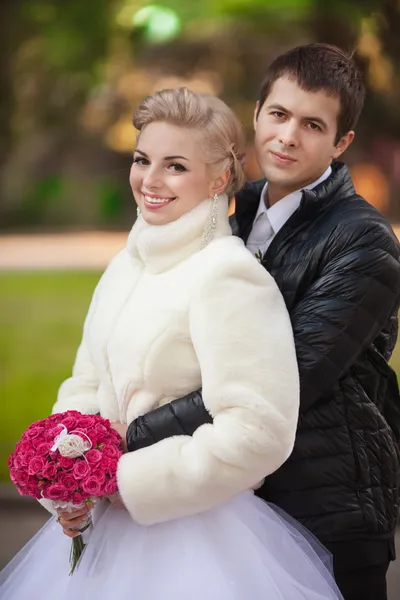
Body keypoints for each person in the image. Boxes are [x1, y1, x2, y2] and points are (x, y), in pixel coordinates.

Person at [0, 88, 345, 599]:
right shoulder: (126, 264)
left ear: (220, 178)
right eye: (143, 159)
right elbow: (86, 382)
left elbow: (259, 428)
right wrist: (69, 479)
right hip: (102, 531)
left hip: (194, 539)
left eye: (176, 166)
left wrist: (128, 481)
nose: (150, 180)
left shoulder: (227, 276)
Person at [118, 45, 400, 600]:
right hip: (234, 499)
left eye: (312, 124)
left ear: (340, 143)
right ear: (256, 114)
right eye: (279, 114)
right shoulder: (228, 210)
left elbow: (285, 377)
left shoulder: (364, 242)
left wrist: (131, 433)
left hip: (328, 505)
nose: (288, 136)